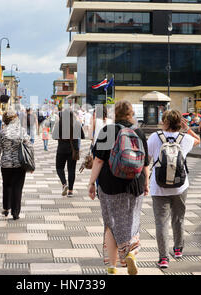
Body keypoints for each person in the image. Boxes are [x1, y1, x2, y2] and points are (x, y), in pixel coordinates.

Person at [87, 100, 149, 275]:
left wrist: (91, 183)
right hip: (134, 183)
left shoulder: (108, 131)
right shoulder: (138, 132)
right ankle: (131, 253)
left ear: (116, 114)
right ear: (131, 114)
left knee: (110, 224)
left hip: (109, 184)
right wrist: (146, 183)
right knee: (133, 222)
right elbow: (145, 163)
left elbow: (98, 160)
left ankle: (112, 267)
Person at [147, 109, 200, 269]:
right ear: (179, 123)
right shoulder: (185, 138)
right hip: (180, 186)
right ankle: (178, 249)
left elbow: (147, 160)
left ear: (165, 122)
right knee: (179, 218)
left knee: (161, 222)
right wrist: (187, 128)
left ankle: (163, 258)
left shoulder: (155, 137)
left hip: (158, 186)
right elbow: (198, 139)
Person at [0, 109, 32, 220]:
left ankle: (6, 208)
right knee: (17, 188)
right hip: (20, 164)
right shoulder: (22, 131)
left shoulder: (2, 132)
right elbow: (29, 147)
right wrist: (31, 164)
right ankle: (15, 213)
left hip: (6, 164)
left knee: (7, 185)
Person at [52, 108, 85, 197]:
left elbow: (54, 137)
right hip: (73, 150)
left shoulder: (59, 124)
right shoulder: (76, 123)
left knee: (59, 168)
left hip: (61, 150)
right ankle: (70, 191)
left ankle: (64, 183)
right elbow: (82, 136)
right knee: (71, 170)